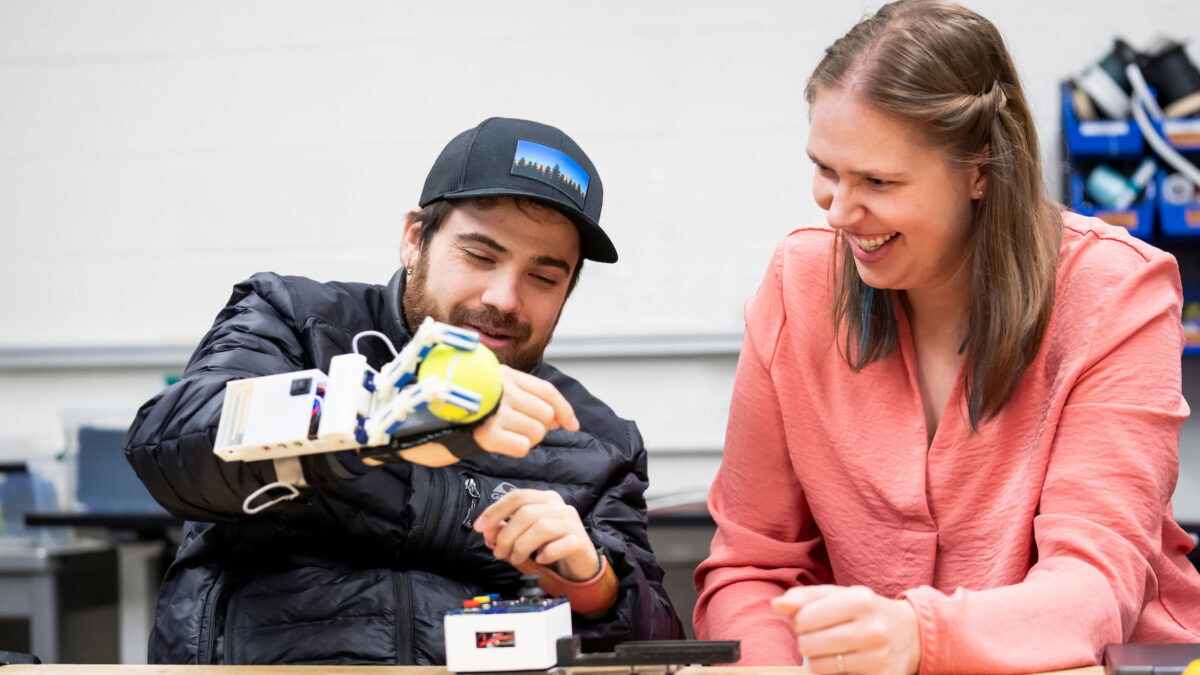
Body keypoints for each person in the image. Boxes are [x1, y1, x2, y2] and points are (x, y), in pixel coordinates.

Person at [693, 2, 1200, 673]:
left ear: (980, 167)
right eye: (826, 170)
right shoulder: (798, 281)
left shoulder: (1116, 292)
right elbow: (751, 566)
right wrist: (772, 662)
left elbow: (1093, 586)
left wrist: (918, 635)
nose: (841, 213)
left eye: (878, 180)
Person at [125, 117, 685, 665]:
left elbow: (662, 640)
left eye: (543, 277)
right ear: (415, 239)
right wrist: (382, 416)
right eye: (480, 255)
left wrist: (593, 583)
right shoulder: (297, 321)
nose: (505, 297)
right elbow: (171, 447)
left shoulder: (596, 439)